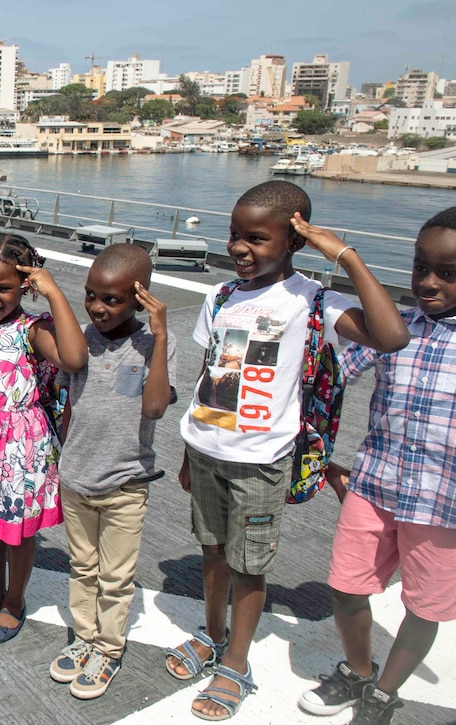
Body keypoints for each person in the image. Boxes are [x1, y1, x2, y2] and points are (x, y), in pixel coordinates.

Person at [168, 180, 409, 720]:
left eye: (256, 238)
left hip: (261, 460)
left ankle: (235, 662)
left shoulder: (315, 301)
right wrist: (189, 451)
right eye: (234, 235)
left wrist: (342, 254)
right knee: (211, 553)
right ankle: (212, 635)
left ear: (295, 240)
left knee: (248, 566)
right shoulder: (222, 296)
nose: (239, 248)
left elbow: (391, 335)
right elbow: (214, 375)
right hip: (207, 448)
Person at [297, 207, 456, 725]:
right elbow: (332, 376)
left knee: (425, 607)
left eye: (448, 273)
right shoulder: (397, 327)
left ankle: (385, 691)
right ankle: (359, 671)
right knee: (345, 588)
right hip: (375, 484)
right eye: (419, 267)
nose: (428, 283)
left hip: (442, 504)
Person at [49, 244, 177, 698]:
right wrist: (63, 458)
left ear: (140, 298)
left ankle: (108, 646)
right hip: (77, 476)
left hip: (126, 482)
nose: (98, 308)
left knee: (116, 576)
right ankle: (85, 637)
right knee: (82, 566)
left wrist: (160, 339)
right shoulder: (78, 336)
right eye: (91, 296)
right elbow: (67, 403)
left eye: (112, 300)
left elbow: (156, 407)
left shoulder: (155, 344)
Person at [0, 232, 88, 644]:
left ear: (25, 286)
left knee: (18, 530)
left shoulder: (34, 328)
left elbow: (75, 360)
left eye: (3, 288)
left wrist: (54, 295)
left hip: (18, 449)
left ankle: (14, 600)